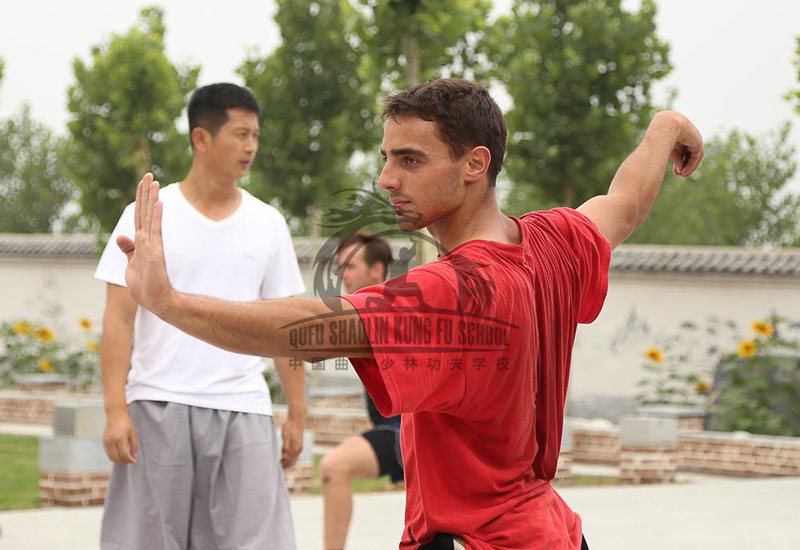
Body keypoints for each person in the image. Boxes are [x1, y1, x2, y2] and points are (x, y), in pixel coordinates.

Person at [118, 78, 703, 550]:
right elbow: (623, 204)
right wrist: (665, 127)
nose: (386, 178)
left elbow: (314, 329)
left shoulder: (458, 291)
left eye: (410, 160)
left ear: (475, 164)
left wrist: (169, 302)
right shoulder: (552, 241)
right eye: (386, 157)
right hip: (552, 531)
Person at [95, 83, 307, 550]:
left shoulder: (268, 223)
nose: (251, 146)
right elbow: (118, 321)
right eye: (240, 133)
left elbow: (286, 327)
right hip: (158, 404)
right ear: (201, 138)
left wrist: (297, 412)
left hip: (244, 409)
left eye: (256, 135)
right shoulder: (147, 214)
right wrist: (115, 409)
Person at [321, 232, 403, 550]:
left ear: (377, 270)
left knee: (333, 467)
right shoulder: (357, 310)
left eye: (351, 266)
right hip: (392, 430)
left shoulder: (398, 307)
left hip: (413, 431)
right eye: (340, 267)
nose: (343, 274)